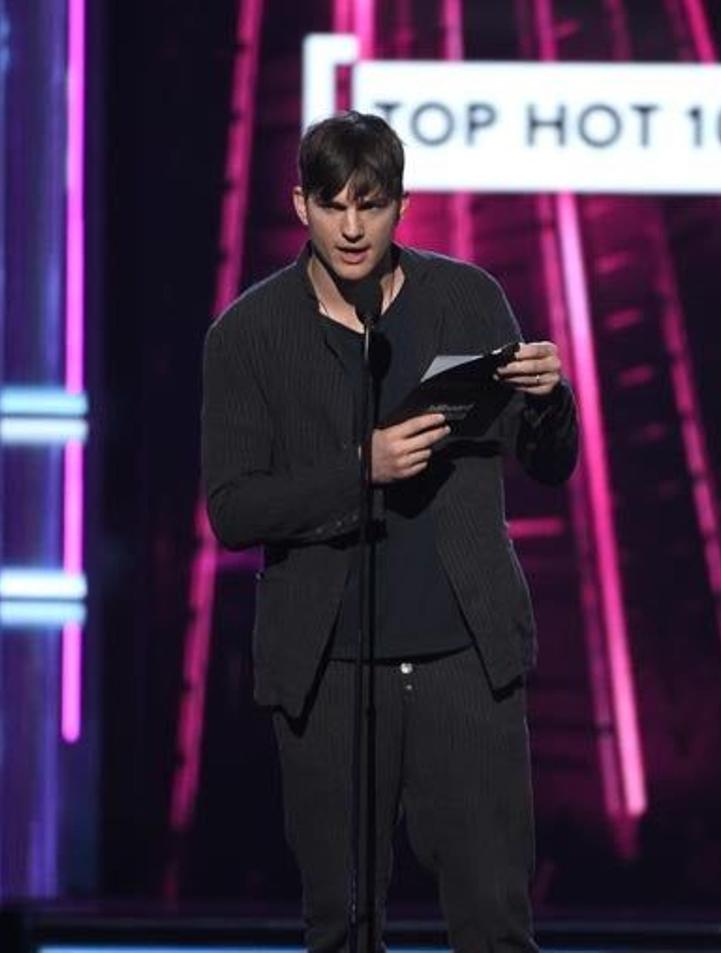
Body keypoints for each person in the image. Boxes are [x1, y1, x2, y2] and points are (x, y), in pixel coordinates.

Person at [201, 110, 578, 953]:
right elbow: (233, 509)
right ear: (300, 205)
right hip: (330, 672)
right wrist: (359, 467)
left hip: (465, 664)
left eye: (369, 205)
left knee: (495, 924)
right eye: (332, 204)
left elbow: (546, 461)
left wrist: (552, 398)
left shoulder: (468, 300)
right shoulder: (248, 336)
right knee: (342, 927)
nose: (351, 226)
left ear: (401, 206)